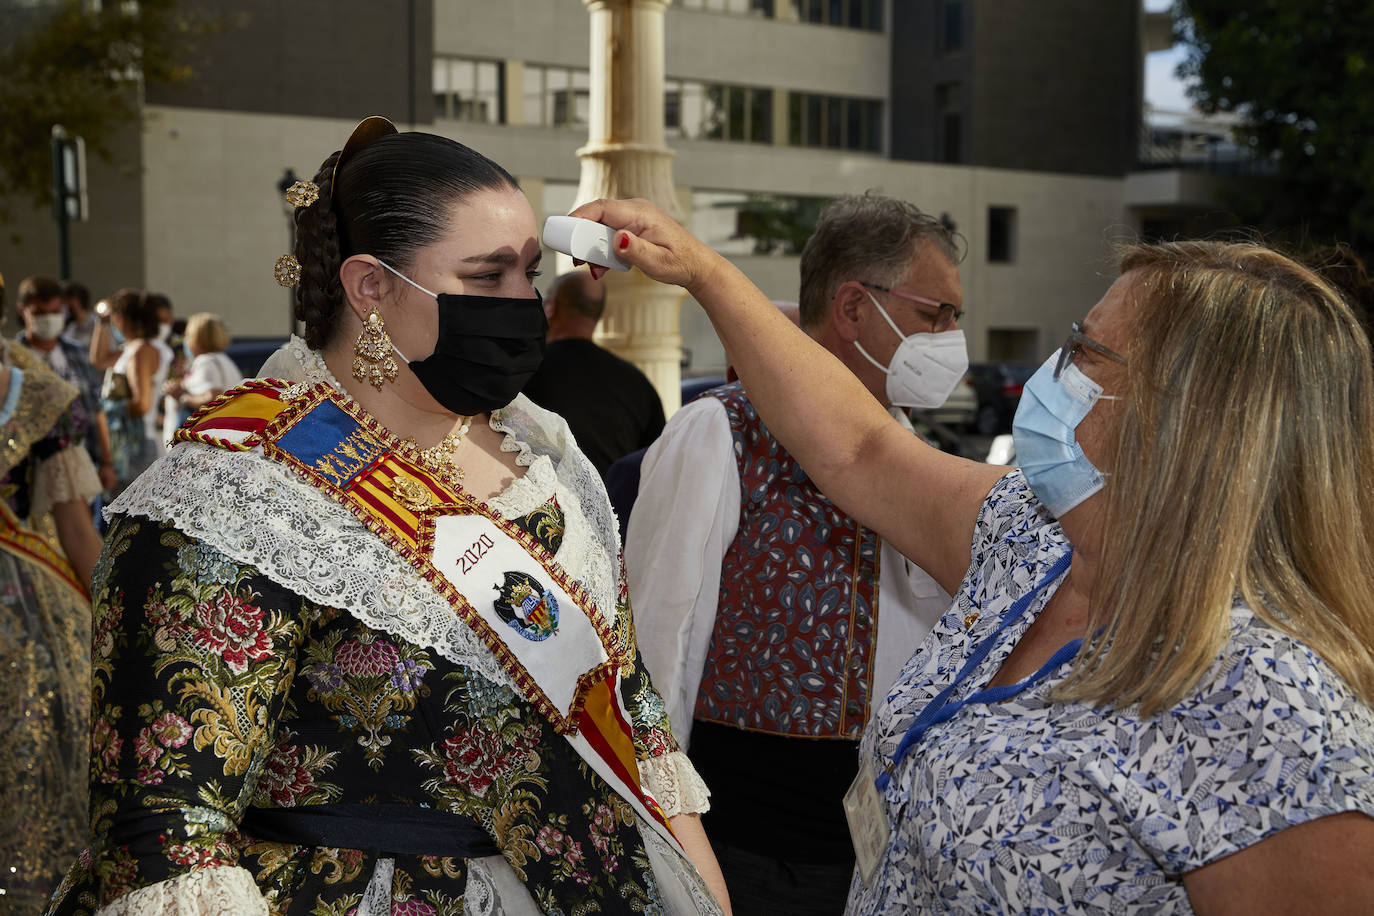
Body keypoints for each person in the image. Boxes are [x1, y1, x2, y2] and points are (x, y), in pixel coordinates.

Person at [572, 197, 1374, 914]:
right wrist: (705, 272)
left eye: (1085, 353)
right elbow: (857, 448)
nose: (1045, 380)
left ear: (1190, 422)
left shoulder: (1273, 708)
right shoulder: (1034, 537)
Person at [45, 118, 729, 916]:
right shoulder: (225, 497)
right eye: (488, 276)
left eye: (529, 275)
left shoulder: (548, 457)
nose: (524, 305)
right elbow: (164, 832)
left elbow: (633, 720)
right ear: (370, 287)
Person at [626, 194, 962, 913]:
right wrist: (660, 840)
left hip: (873, 853)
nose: (952, 337)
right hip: (744, 851)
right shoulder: (719, 433)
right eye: (937, 314)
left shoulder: (919, 457)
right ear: (853, 308)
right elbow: (656, 649)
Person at [0, 269, 105, 913]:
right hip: (36, 613)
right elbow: (76, 535)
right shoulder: (38, 394)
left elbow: (76, 530)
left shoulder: (42, 396)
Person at [521, 271, 666, 479]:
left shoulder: (524, 371)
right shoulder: (637, 382)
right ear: (597, 314)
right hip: (615, 507)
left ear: (551, 308)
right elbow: (653, 462)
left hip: (544, 504)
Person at [15, 276, 118, 492]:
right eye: (40, 313)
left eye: (54, 312)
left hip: (81, 463)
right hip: (26, 472)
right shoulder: (11, 359)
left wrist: (106, 462)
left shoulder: (77, 353)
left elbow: (96, 410)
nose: (49, 319)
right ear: (23, 310)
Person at [90, 289, 170, 491]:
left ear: (121, 318)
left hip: (135, 445)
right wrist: (103, 323)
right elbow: (99, 360)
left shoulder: (141, 352)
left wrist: (106, 409)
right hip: (126, 442)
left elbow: (141, 403)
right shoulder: (132, 349)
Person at [162, 312, 242, 420]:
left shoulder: (206, 362)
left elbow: (213, 399)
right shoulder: (222, 360)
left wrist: (181, 397)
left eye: (187, 335)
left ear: (198, 338)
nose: (184, 340)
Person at [60, 280, 97, 350]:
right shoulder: (68, 325)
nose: (62, 306)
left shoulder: (98, 324)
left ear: (76, 301)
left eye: (64, 301)